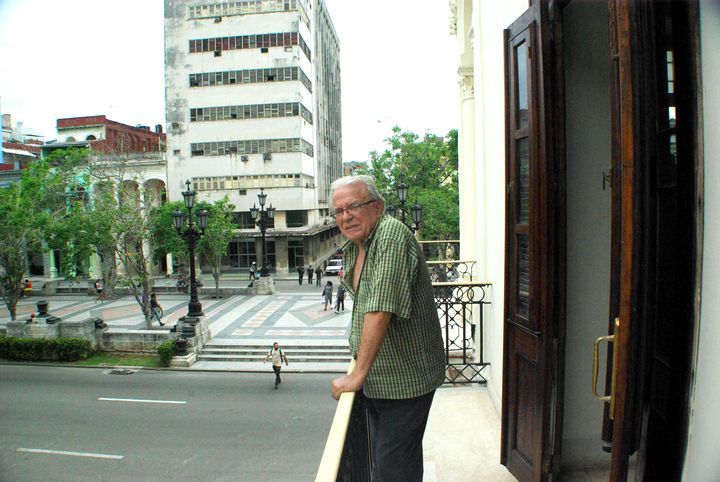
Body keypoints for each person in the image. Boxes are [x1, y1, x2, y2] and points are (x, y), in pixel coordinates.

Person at [329, 175, 445, 482]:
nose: (345, 216)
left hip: (406, 380)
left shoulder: (390, 237)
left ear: (377, 207)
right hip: (382, 378)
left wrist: (356, 375)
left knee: (391, 468)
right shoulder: (358, 245)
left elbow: (380, 311)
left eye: (353, 206)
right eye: (338, 211)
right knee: (399, 461)